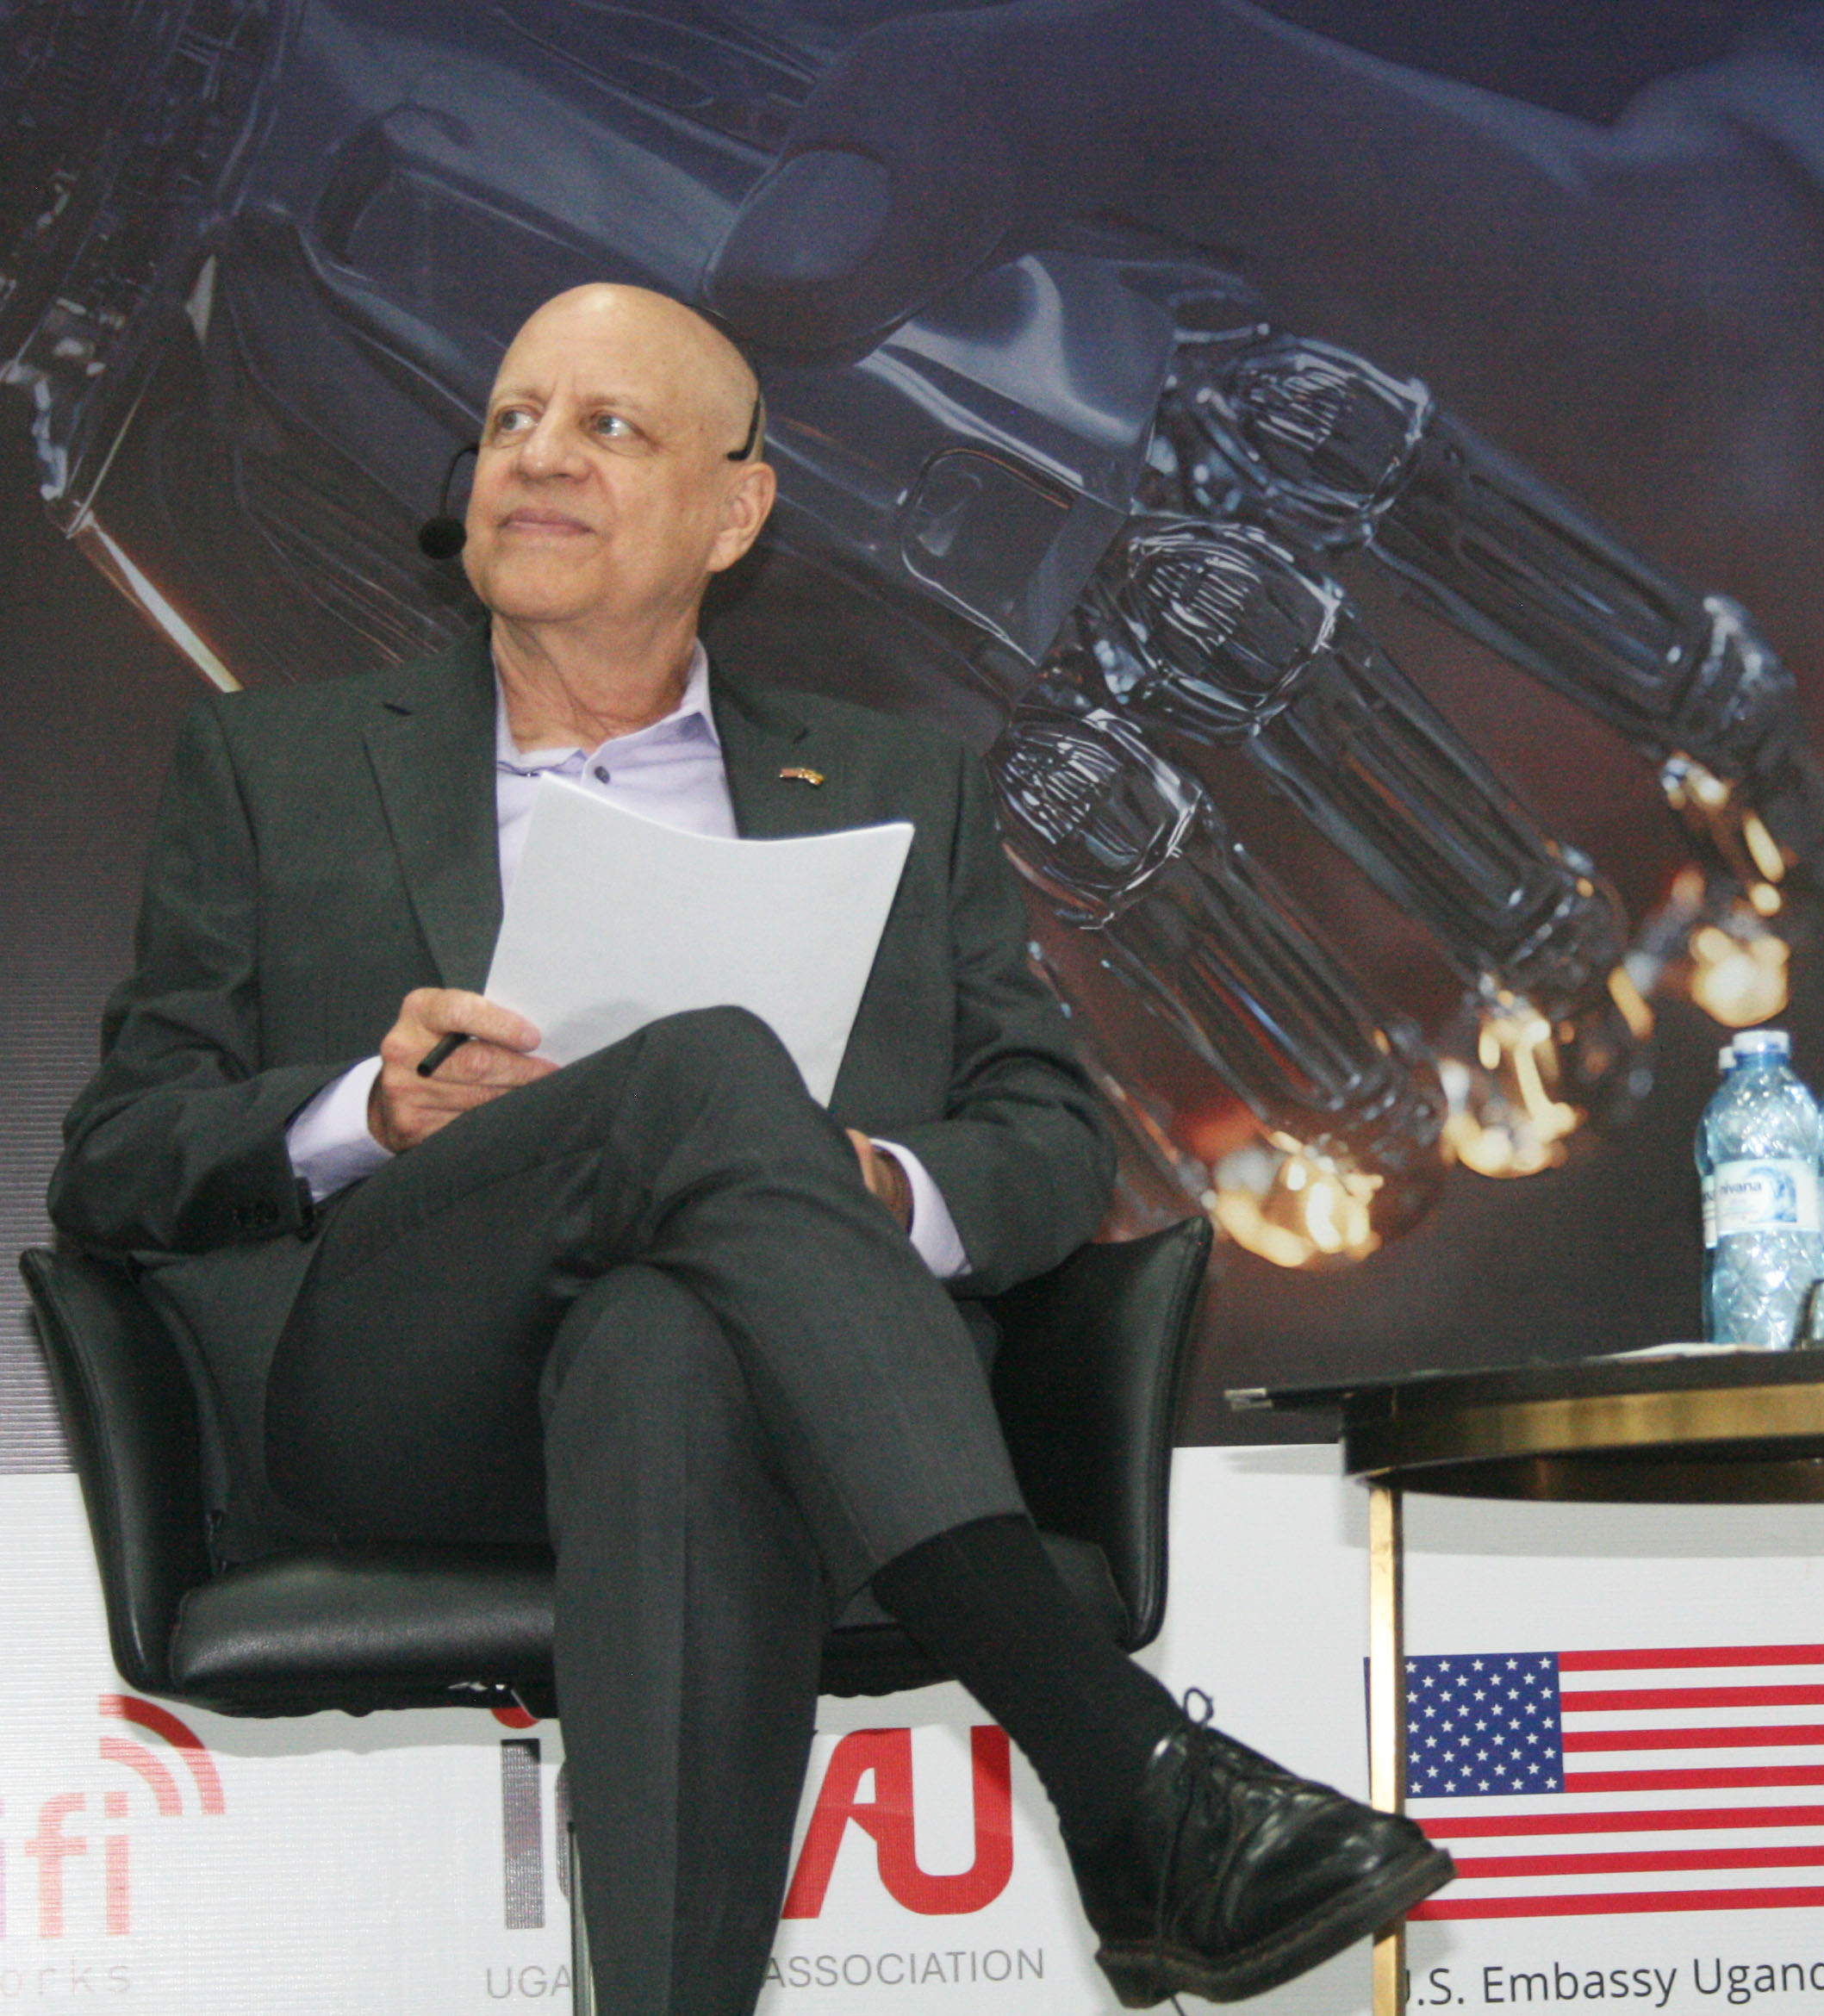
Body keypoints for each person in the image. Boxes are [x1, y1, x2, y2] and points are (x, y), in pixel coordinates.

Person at [50, 283, 1449, 2013]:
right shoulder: (277, 762)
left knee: (671, 1339)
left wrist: (864, 1188)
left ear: (740, 507)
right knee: (708, 1071)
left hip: (771, 1396)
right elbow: (112, 1156)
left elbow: (1046, 1147)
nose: (538, 458)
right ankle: (1124, 1774)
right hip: (408, 1385)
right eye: (510, 421)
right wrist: (367, 1108)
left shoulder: (897, 783)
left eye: (609, 428)